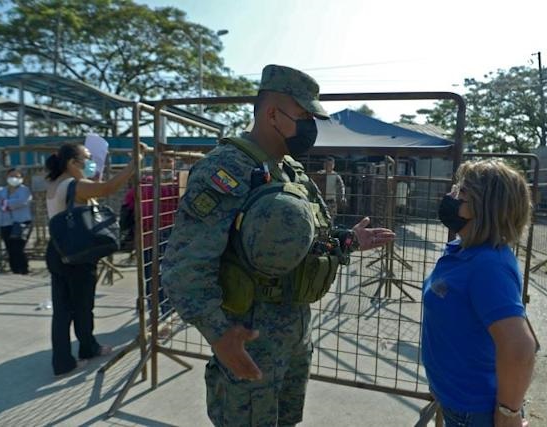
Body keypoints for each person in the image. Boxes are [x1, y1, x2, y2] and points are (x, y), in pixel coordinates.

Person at [162, 64, 396, 426]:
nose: (310, 127)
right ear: (272, 113)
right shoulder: (225, 169)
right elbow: (185, 267)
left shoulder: (291, 170)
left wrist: (348, 242)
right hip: (249, 338)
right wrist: (219, 335)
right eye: (303, 116)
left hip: (294, 334)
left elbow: (309, 240)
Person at [422, 159, 537, 427]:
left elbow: (520, 349)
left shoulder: (489, 265)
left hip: (472, 413)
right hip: (456, 402)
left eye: (461, 192)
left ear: (484, 207)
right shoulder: (462, 249)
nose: (450, 196)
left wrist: (508, 414)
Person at [45, 141, 144, 376]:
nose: (90, 163)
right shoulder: (74, 185)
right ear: (72, 163)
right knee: (82, 306)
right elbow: (108, 188)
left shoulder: (55, 182)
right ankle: (86, 350)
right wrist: (135, 162)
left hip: (57, 251)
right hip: (76, 254)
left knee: (62, 309)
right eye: (86, 159)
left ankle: (64, 359)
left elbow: (94, 188)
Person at [122, 153, 179, 331]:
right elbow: (130, 201)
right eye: (161, 160)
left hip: (173, 233)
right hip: (149, 234)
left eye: (168, 160)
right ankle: (158, 315)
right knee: (152, 276)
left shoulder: (179, 182)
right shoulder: (146, 181)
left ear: (174, 162)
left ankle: (168, 315)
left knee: (170, 276)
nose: (164, 164)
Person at [0, 168, 33, 274]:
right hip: (5, 223)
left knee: (17, 248)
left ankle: (23, 269)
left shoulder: (24, 190)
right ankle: (14, 270)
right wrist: (5, 205)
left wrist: (5, 203)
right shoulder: (1, 190)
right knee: (10, 248)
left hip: (21, 222)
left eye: (17, 176)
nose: (14, 179)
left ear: (22, 178)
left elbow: (22, 201)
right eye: (12, 176)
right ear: (7, 177)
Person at [317, 156, 346, 223]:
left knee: (331, 219)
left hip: (331, 201)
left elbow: (341, 186)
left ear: (333, 165)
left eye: (330, 164)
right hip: (320, 200)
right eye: (327, 164)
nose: (328, 166)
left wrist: (342, 196)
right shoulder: (319, 174)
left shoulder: (336, 176)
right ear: (324, 165)